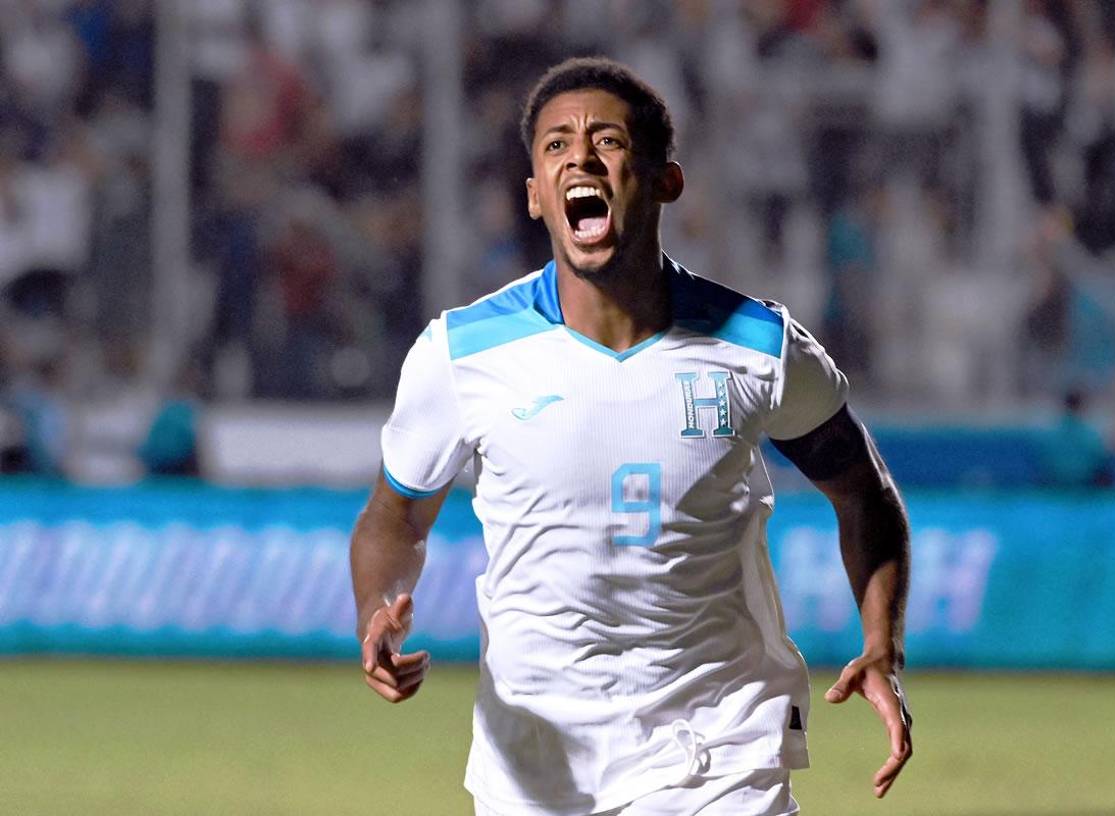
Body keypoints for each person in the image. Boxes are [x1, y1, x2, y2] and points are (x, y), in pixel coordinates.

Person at [350, 57, 913, 815]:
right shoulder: (461, 356)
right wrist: (376, 612)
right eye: (555, 147)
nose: (579, 157)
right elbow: (395, 519)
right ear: (535, 197)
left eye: (606, 141)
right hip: (536, 762)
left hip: (720, 752)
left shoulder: (757, 347)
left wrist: (884, 645)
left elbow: (865, 493)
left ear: (664, 180)